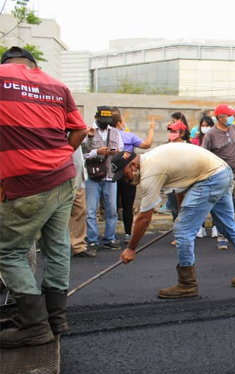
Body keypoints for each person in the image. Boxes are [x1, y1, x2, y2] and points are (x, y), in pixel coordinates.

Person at [0, 46, 88, 347]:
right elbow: (80, 130)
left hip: (26, 182)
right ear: (32, 65)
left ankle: (35, 326)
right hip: (63, 179)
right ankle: (55, 319)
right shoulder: (57, 85)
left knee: (8, 251)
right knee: (58, 245)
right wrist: (61, 154)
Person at [115, 144, 235, 297]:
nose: (124, 179)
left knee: (183, 230)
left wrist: (131, 248)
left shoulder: (150, 173)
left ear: (133, 165)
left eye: (124, 174)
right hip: (222, 171)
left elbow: (144, 218)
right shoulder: (154, 158)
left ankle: (187, 284)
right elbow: (181, 185)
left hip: (211, 177)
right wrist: (183, 214)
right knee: (227, 226)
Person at [203, 104, 235, 249]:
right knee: (225, 209)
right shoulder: (210, 134)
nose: (233, 117)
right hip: (222, 178)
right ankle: (222, 237)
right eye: (230, 115)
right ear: (220, 117)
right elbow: (204, 156)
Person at [82, 106, 124, 251]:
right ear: (96, 118)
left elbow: (120, 148)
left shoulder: (115, 132)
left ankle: (110, 238)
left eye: (108, 121)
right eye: (103, 120)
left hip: (110, 176)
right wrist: (97, 152)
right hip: (93, 176)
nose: (106, 123)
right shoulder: (89, 132)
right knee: (91, 210)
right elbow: (83, 154)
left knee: (111, 210)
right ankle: (92, 240)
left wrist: (114, 151)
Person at [114, 111, 155, 243]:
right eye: (123, 120)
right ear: (119, 123)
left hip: (110, 174)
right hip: (127, 174)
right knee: (128, 205)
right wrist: (151, 128)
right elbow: (147, 144)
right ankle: (127, 234)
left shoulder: (107, 137)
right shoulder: (128, 136)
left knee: (112, 207)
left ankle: (111, 236)